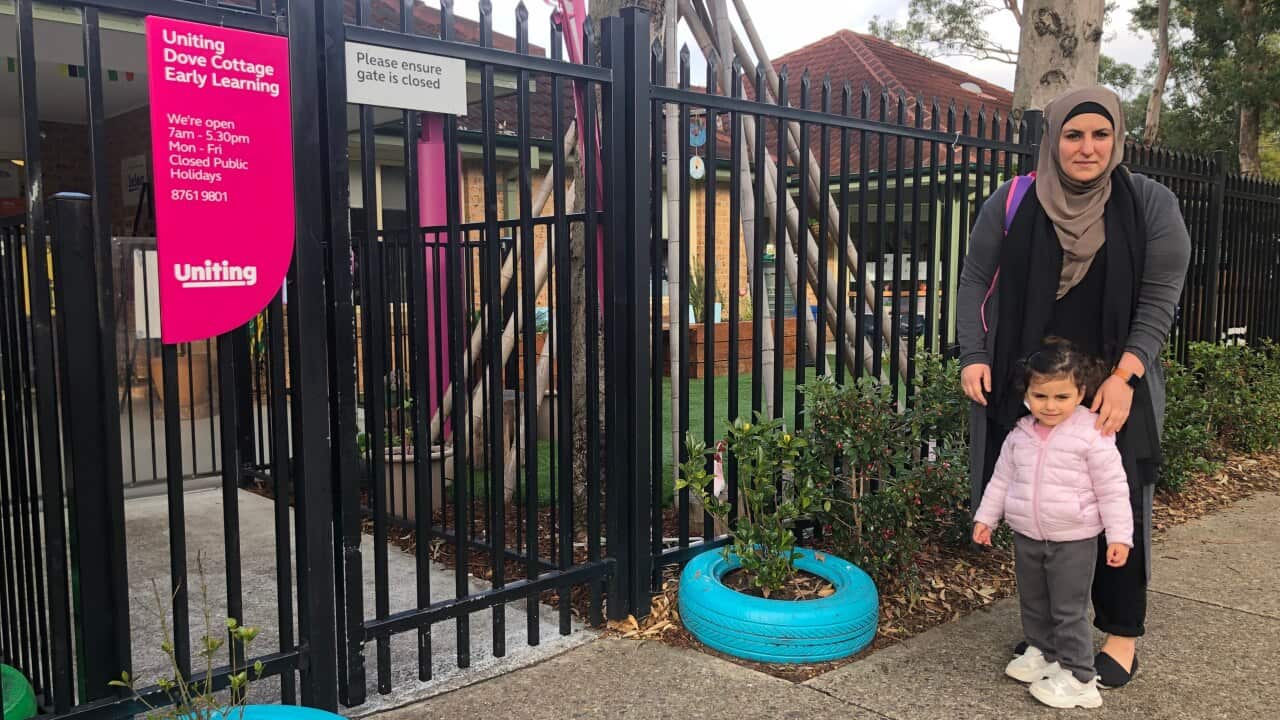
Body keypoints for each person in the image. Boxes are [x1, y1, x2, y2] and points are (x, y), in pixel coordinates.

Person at [956, 86, 1191, 689]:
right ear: (1053, 138)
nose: (1087, 148)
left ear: (1117, 139)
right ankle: (1053, 632)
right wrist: (974, 356)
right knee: (1042, 502)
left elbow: (1161, 294)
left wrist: (1125, 376)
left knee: (1118, 502)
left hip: (1116, 382)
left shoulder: (1149, 203)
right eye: (1073, 134)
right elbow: (976, 278)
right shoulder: (1013, 200)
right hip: (1034, 385)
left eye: (1100, 135)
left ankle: (1121, 632)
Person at [973, 338, 1133, 709]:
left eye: (1062, 397)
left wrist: (1119, 536)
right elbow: (1000, 480)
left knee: (1067, 609)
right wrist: (986, 518)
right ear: (1027, 393)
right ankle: (1043, 652)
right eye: (1041, 396)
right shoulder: (1020, 435)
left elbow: (1113, 489)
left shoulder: (1093, 435)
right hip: (1027, 535)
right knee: (1033, 601)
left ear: (1081, 392)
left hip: (1073, 540)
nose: (1051, 406)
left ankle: (1080, 676)